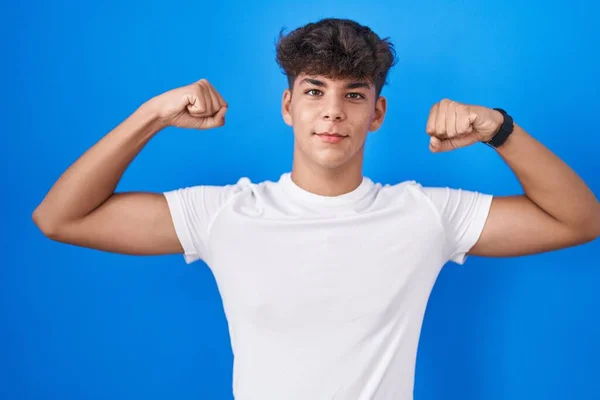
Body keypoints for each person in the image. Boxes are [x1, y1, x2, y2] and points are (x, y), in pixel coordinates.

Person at [32, 17, 600, 400]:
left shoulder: (427, 215)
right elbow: (60, 217)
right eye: (314, 90)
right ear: (288, 105)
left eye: (353, 94)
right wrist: (152, 114)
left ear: (377, 113)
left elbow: (579, 220)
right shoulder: (226, 213)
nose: (332, 112)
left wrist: (497, 129)